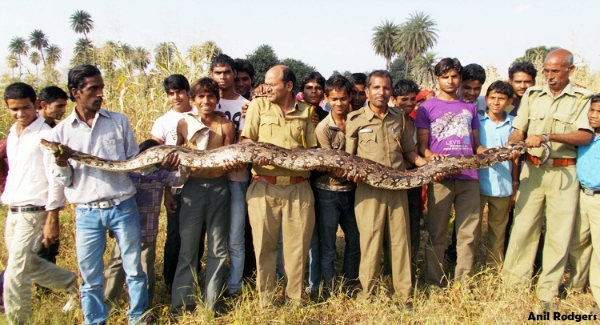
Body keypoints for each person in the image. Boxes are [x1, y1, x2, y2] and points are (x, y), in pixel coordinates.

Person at [47, 64, 151, 324]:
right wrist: (61, 162)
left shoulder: (119, 121)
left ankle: (138, 316)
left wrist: (158, 161)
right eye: (93, 89)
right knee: (90, 275)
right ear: (75, 92)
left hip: (122, 204)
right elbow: (64, 179)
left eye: (101, 88)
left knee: (134, 269)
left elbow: (132, 163)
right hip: (86, 211)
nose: (100, 94)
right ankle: (95, 319)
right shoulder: (60, 134)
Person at [502, 49, 594, 311]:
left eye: (556, 71)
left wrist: (547, 136)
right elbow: (519, 130)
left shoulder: (582, 98)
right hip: (532, 170)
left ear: (570, 71)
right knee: (523, 226)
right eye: (547, 71)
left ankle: (547, 289)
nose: (550, 76)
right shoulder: (533, 95)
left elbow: (584, 135)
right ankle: (513, 284)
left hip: (564, 172)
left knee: (558, 232)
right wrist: (516, 140)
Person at [346, 70, 431, 304]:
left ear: (391, 91)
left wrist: (429, 167)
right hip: (368, 191)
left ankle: (404, 296)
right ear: (367, 91)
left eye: (385, 88)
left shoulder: (398, 117)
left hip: (397, 189)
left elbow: (409, 152)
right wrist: (352, 175)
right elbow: (348, 160)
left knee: (399, 242)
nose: (381, 92)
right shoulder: (355, 120)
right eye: (376, 87)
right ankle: (367, 294)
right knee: (370, 242)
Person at [241, 65, 317, 305]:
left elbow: (313, 151)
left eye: (272, 84)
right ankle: (265, 298)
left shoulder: (307, 112)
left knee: (297, 247)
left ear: (289, 86)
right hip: (264, 186)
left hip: (299, 187)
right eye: (266, 83)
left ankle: (295, 297)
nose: (267, 88)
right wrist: (255, 154)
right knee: (264, 245)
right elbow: (246, 140)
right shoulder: (258, 106)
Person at [2, 82, 77, 324]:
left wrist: (52, 216)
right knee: (26, 264)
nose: (20, 114)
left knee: (15, 274)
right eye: (14, 109)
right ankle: (72, 284)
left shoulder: (45, 135)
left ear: (36, 105)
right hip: (13, 209)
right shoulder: (14, 134)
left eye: (25, 108)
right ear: (7, 108)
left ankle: (18, 320)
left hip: (34, 211)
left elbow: (56, 178)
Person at [416, 58, 488, 285]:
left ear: (460, 78)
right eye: (445, 76)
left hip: (469, 179)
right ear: (437, 78)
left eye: (454, 76)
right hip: (440, 179)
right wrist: (430, 157)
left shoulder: (469, 107)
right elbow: (422, 147)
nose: (450, 81)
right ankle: (434, 280)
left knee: (468, 234)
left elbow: (476, 145)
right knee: (437, 233)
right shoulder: (427, 108)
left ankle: (463, 281)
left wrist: (494, 153)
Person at [171, 77, 237, 314]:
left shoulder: (226, 125)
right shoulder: (183, 124)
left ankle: (213, 304)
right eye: (200, 97)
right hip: (192, 189)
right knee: (188, 249)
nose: (206, 101)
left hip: (219, 187)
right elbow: (175, 157)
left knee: (218, 250)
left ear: (217, 99)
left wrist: (231, 164)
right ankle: (181, 304)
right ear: (193, 100)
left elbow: (232, 159)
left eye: (211, 96)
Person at [103, 139, 190, 308]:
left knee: (145, 269)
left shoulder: (159, 174)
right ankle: (106, 304)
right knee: (115, 266)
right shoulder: (128, 174)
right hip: (125, 229)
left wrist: (184, 160)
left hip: (147, 231)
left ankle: (144, 307)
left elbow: (179, 179)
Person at [150, 74, 204, 294]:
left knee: (198, 233)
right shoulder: (162, 122)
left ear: (188, 93)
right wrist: (167, 193)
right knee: (174, 234)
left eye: (179, 92)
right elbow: (155, 160)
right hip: (174, 187)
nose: (176, 97)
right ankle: (170, 279)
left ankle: (194, 274)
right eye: (171, 94)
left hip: (199, 183)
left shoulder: (199, 116)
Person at [314, 75, 360, 297]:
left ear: (350, 97)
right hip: (328, 193)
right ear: (327, 98)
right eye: (334, 99)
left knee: (355, 240)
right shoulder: (323, 128)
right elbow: (329, 164)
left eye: (343, 98)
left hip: (352, 192)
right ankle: (329, 289)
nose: (339, 104)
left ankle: (350, 284)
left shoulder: (357, 121)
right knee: (328, 244)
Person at [210, 54, 251, 296]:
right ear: (211, 74)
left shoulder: (246, 105)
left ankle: (234, 286)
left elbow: (246, 140)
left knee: (236, 235)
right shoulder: (206, 103)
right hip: (209, 178)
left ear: (234, 74)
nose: (223, 77)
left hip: (237, 178)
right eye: (218, 73)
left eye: (227, 72)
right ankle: (212, 283)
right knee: (214, 236)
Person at [476, 81, 518, 265]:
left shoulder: (515, 125)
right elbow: (474, 148)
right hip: (478, 184)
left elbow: (516, 157)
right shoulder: (477, 122)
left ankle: (494, 266)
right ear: (486, 99)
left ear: (509, 101)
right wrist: (491, 153)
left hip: (503, 184)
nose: (496, 102)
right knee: (472, 229)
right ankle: (470, 265)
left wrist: (515, 183)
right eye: (492, 98)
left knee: (498, 229)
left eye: (501, 99)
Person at [567, 94, 600, 313]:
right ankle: (574, 287)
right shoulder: (584, 136)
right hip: (581, 194)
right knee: (579, 242)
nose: (595, 116)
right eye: (593, 111)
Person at [390, 78, 423, 280]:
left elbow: (415, 153)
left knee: (413, 223)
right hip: (393, 180)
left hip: (414, 178)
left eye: (412, 99)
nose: (409, 103)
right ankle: (391, 268)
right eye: (404, 99)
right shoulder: (391, 122)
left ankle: (410, 266)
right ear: (394, 100)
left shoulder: (415, 122)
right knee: (395, 227)